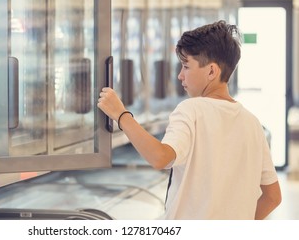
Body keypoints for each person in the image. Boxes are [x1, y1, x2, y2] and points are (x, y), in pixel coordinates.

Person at [97, 20, 282, 220]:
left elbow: (161, 157)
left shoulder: (191, 110)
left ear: (211, 71)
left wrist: (121, 115)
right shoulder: (252, 122)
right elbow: (273, 197)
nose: (180, 76)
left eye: (186, 66)